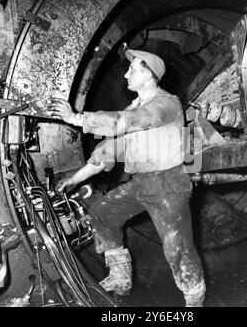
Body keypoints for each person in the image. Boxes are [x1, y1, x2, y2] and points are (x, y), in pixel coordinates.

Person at [50, 49, 206, 307]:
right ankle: (120, 277)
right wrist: (75, 180)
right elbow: (108, 150)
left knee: (177, 247)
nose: (126, 74)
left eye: (133, 68)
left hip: (169, 184)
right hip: (142, 184)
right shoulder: (133, 108)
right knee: (102, 212)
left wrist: (77, 118)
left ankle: (194, 299)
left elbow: (127, 122)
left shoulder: (166, 103)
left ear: (149, 74)